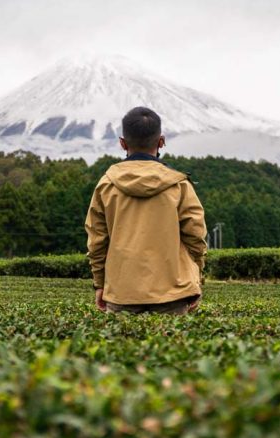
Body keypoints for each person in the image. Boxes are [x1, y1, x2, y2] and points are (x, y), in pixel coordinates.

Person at [84, 107, 208, 315]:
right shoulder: (179, 185)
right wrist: (195, 278)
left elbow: (97, 241)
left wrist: (99, 284)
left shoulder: (106, 185)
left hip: (121, 293)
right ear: (161, 142)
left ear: (123, 143)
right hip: (173, 293)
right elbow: (196, 236)